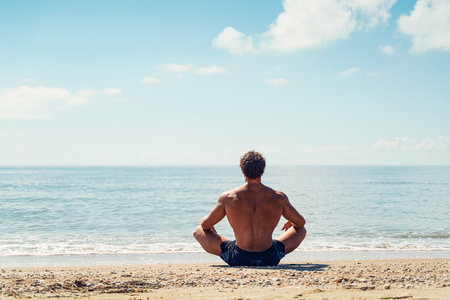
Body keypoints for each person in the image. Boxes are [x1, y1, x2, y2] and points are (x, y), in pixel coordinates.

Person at [193, 150, 307, 266]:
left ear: (242, 170)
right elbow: (301, 223)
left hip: (238, 257)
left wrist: (205, 219)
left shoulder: (228, 198)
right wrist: (292, 221)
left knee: (198, 230)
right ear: (263, 170)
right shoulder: (278, 197)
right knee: (301, 230)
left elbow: (205, 225)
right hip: (269, 257)